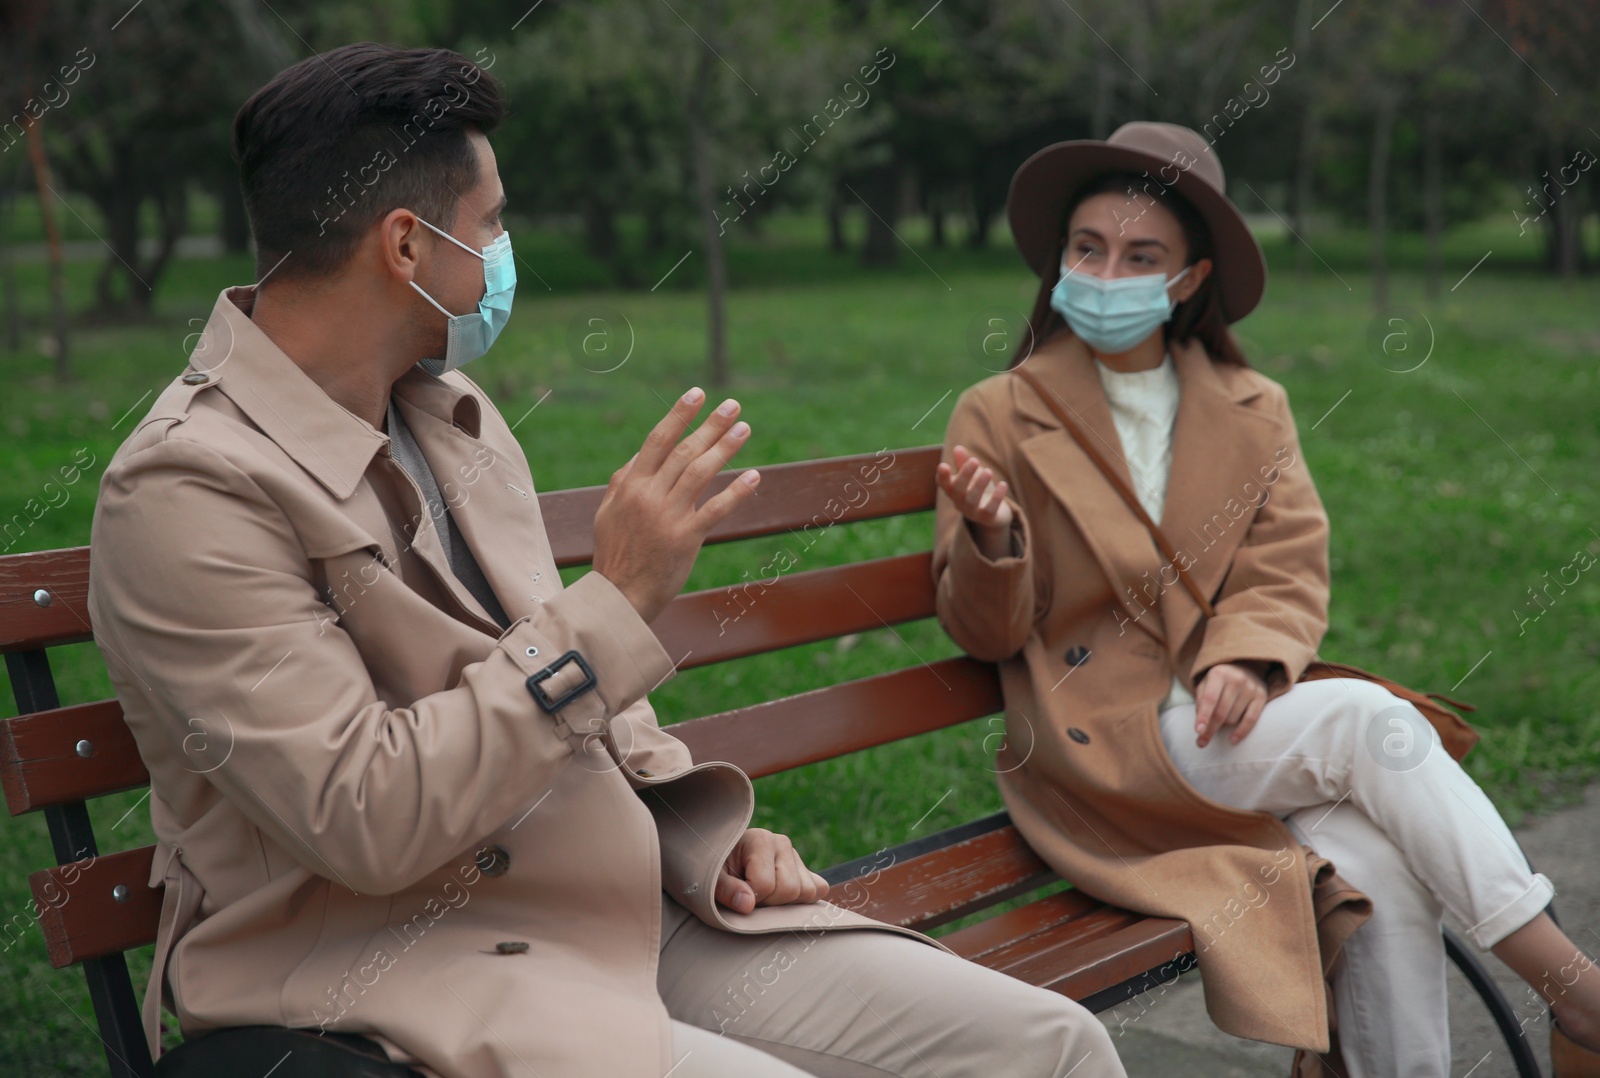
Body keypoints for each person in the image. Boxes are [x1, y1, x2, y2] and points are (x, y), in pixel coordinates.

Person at [85, 43, 1125, 1078]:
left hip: (623, 911)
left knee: (1051, 1046)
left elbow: (596, 721)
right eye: (490, 222)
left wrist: (699, 837)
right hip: (400, 965)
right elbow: (367, 818)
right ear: (406, 246)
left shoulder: (449, 411)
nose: (504, 248)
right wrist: (618, 597)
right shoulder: (189, 491)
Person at [931, 120, 1600, 1077]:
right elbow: (986, 630)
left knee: (1375, 877)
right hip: (1104, 756)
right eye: (1089, 248)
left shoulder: (1254, 404)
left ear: (1190, 279)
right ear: (1060, 258)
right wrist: (993, 541)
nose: (1107, 273)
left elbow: (1287, 563)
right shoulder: (1000, 410)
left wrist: (1243, 653)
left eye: (1141, 255)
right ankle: (1574, 991)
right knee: (1371, 721)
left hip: (1229, 727)